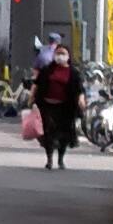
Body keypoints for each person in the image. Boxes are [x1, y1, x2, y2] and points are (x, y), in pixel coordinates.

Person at [31, 39, 84, 169]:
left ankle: (60, 159)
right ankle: (49, 159)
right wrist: (31, 97)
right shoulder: (47, 70)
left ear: (68, 56)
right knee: (48, 132)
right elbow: (37, 84)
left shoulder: (73, 73)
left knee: (64, 135)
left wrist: (81, 100)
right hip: (47, 106)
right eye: (58, 53)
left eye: (63, 53)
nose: (60, 56)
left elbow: (79, 89)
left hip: (65, 108)